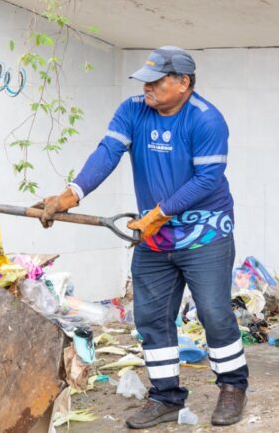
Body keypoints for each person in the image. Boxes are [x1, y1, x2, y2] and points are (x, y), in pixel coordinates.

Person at [39, 46, 248, 429]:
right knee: (151, 317)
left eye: (156, 81)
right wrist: (70, 195)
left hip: (205, 235)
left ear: (184, 82)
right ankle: (165, 396)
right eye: (145, 81)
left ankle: (232, 388)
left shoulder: (206, 120)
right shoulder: (133, 110)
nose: (147, 87)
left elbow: (208, 180)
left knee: (214, 313)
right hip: (154, 239)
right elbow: (107, 153)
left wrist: (158, 214)